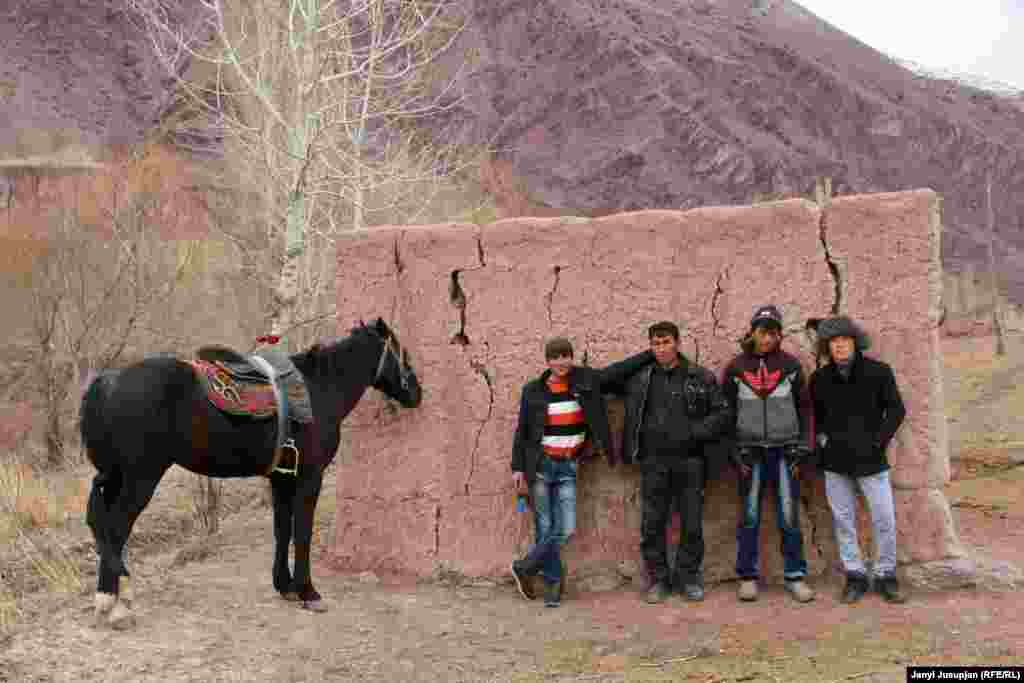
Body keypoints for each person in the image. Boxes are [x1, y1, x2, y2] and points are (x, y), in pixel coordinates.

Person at [510, 337, 653, 607]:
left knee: (565, 528)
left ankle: (525, 566)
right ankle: (553, 584)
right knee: (545, 527)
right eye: (556, 357)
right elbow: (522, 431)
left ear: (571, 357)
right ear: (548, 361)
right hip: (540, 465)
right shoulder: (533, 391)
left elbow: (617, 371)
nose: (562, 362)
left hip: (568, 466)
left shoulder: (586, 380)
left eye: (566, 356)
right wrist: (517, 467)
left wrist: (650, 353)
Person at [619, 321, 732, 604]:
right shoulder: (641, 378)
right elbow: (605, 380)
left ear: (677, 343)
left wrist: (694, 433)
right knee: (652, 524)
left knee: (691, 524)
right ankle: (658, 580)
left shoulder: (700, 376)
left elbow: (722, 414)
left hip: (690, 462)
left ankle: (689, 578)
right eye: (655, 344)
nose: (661, 348)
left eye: (666, 342)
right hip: (653, 462)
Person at [809, 315, 908, 604]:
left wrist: (878, 442)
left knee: (884, 519)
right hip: (835, 462)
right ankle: (854, 575)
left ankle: (886, 575)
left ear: (855, 342)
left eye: (844, 340)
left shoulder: (879, 372)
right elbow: (817, 418)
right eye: (833, 342)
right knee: (843, 521)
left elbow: (896, 410)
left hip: (872, 460)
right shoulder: (820, 379)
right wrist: (824, 443)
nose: (839, 346)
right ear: (828, 347)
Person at [722, 305, 815, 603]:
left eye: (773, 332)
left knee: (788, 515)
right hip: (750, 453)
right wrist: (733, 450)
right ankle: (747, 576)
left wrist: (804, 444)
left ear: (779, 335)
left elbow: (805, 408)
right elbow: (726, 413)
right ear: (752, 332)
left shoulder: (790, 366)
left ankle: (795, 575)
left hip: (785, 450)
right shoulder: (736, 368)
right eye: (762, 331)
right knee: (749, 515)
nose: (767, 338)